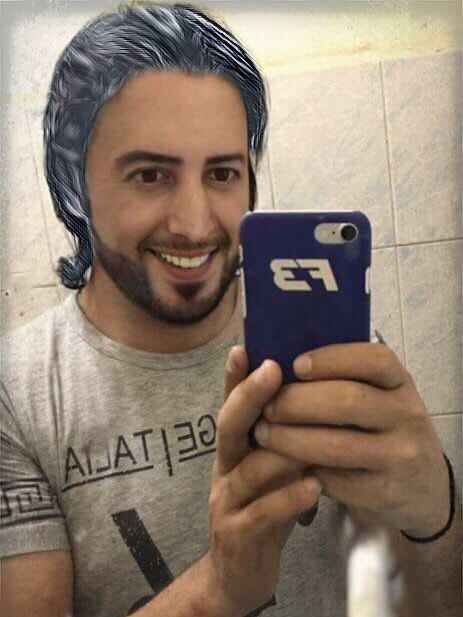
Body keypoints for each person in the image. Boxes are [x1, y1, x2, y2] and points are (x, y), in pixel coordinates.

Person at [1, 3, 461, 617]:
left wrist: (436, 514)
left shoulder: (319, 338)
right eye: (149, 175)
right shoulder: (16, 394)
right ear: (73, 186)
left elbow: (417, 596)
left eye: (222, 173)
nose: (195, 225)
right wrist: (217, 590)